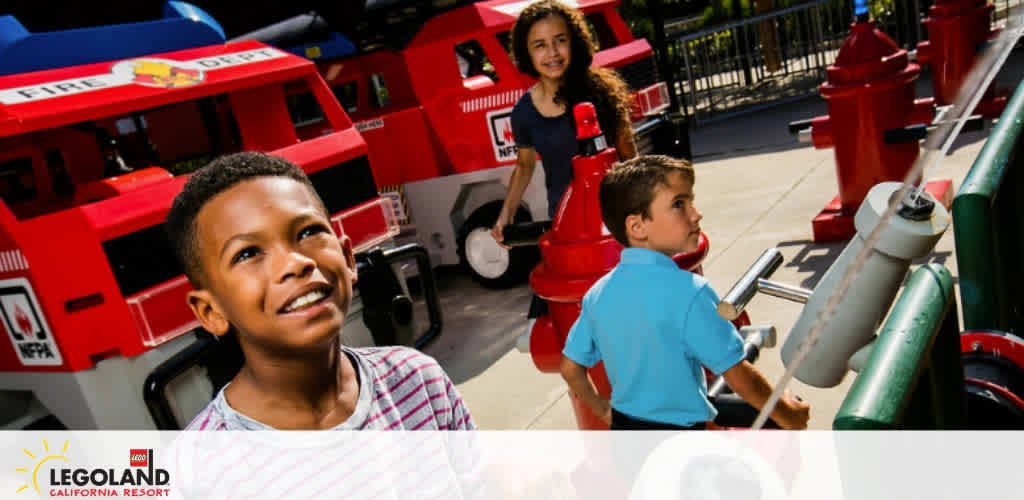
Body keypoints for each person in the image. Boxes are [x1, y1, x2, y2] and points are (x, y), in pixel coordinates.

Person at [165, 152, 474, 430]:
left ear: (348, 258)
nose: (295, 263)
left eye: (309, 232)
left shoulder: (419, 382)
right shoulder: (198, 469)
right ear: (211, 311)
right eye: (248, 253)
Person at [559, 155, 810, 430]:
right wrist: (787, 413)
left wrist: (605, 413)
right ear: (637, 227)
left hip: (626, 432)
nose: (696, 213)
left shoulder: (598, 294)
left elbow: (570, 369)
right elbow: (738, 375)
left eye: (691, 201)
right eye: (679, 204)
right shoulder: (690, 291)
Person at [491, 0, 637, 244]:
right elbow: (525, 166)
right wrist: (506, 214)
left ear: (574, 41)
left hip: (618, 220)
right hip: (566, 223)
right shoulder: (523, 113)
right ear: (526, 52)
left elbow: (630, 155)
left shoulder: (602, 93)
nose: (552, 53)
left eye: (560, 40)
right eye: (540, 45)